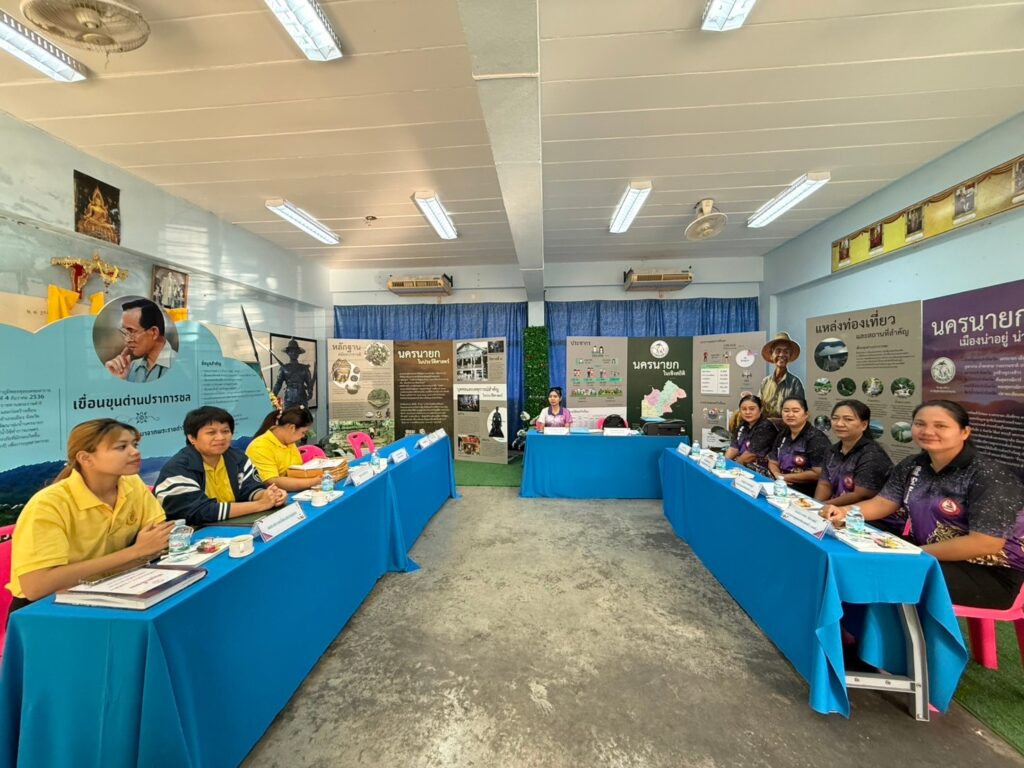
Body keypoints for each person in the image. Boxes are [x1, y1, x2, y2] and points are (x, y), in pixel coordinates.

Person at [822, 400, 1024, 609]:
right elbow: (883, 503)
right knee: (852, 558)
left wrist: (914, 553)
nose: (927, 431)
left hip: (991, 574)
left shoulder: (987, 475)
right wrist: (843, 511)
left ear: (965, 432)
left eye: (940, 426)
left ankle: (883, 631)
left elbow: (986, 543)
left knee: (880, 575)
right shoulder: (913, 464)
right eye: (920, 424)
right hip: (927, 555)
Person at [6, 419, 174, 611]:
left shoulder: (132, 484)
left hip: (112, 589)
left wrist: (146, 549)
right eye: (121, 447)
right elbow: (37, 587)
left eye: (134, 445)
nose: (135, 452)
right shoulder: (48, 504)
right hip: (47, 609)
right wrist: (135, 552)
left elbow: (158, 540)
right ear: (85, 458)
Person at [155, 406, 288, 526]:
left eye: (225, 431)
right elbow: (200, 511)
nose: (220, 437)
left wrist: (269, 495)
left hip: (229, 526)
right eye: (211, 433)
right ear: (192, 438)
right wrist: (259, 505)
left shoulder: (237, 458)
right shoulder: (177, 469)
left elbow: (251, 489)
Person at [814, 400, 893, 510]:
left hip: (862, 514)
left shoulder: (872, 455)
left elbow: (860, 495)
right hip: (832, 508)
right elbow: (824, 484)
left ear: (864, 425)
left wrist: (821, 507)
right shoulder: (832, 450)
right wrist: (815, 504)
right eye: (835, 418)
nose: (839, 424)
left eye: (848, 419)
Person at [245, 406, 323, 492]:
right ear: (292, 428)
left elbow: (295, 471)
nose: (303, 436)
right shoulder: (260, 446)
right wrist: (313, 482)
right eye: (303, 432)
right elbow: (272, 481)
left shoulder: (288, 442)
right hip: (271, 495)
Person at [767, 397, 830, 497]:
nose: (790, 414)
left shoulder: (816, 438)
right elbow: (773, 461)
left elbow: (818, 473)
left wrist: (784, 477)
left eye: (795, 411)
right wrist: (777, 475)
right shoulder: (783, 433)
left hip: (804, 491)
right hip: (780, 482)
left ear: (806, 414)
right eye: (786, 410)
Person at [105, 298, 176, 382]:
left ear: (154, 332)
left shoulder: (180, 366)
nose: (127, 340)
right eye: (125, 332)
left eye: (131, 331)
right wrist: (119, 380)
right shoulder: (132, 367)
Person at [724, 394, 778, 477]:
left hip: (762, 470)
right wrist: (724, 464)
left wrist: (731, 469)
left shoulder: (766, 427)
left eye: (752, 409)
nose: (747, 412)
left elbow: (750, 455)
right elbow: (733, 448)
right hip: (742, 466)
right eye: (744, 409)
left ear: (760, 410)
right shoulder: (743, 425)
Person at [757, 332, 805, 419]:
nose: (782, 355)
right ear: (772, 355)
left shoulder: (795, 383)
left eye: (786, 352)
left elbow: (799, 413)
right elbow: (758, 408)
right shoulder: (765, 382)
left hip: (787, 426)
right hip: (766, 426)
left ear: (789, 355)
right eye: (778, 351)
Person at [273, 339, 314, 409]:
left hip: (302, 398)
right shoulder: (284, 368)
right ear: (288, 353)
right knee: (288, 415)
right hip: (289, 398)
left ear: (298, 353)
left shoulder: (304, 368)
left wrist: (310, 392)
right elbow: (278, 384)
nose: (293, 353)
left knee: (303, 415)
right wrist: (273, 396)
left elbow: (309, 383)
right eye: (291, 351)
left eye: (296, 351)